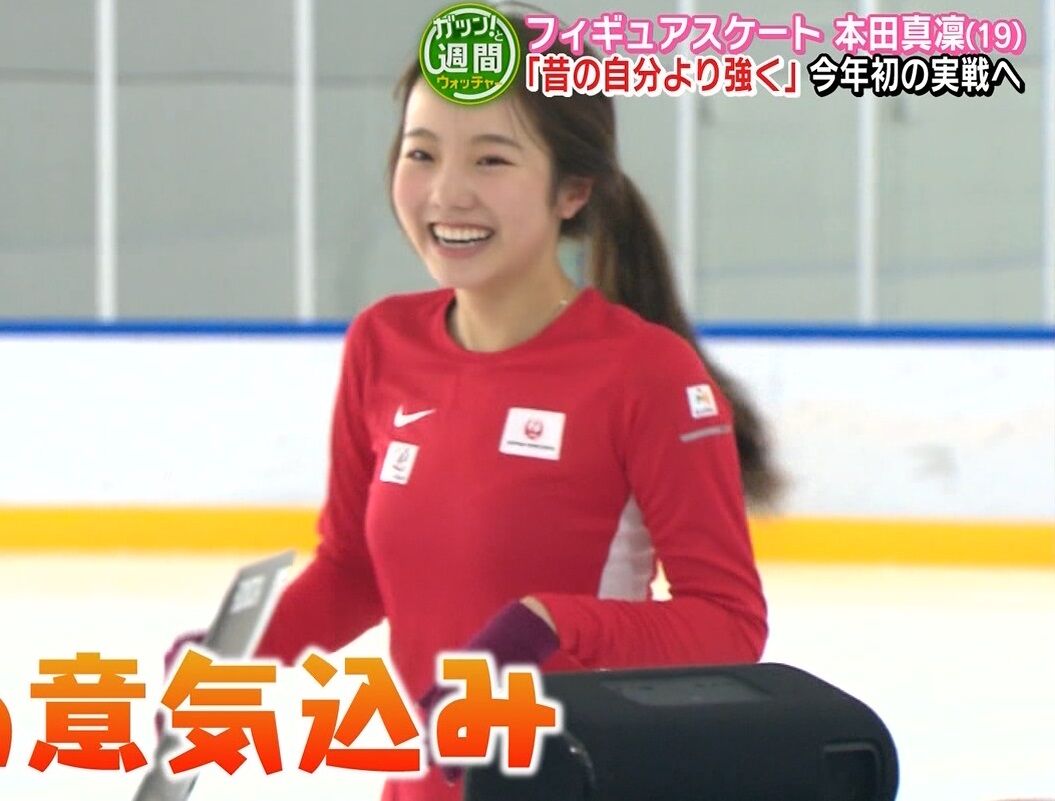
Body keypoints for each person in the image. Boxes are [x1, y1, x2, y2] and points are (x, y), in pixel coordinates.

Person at [251, 11, 782, 800]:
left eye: (491, 159)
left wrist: (551, 623)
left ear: (572, 190)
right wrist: (242, 656)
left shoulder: (644, 372)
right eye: (421, 153)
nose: (446, 192)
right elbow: (353, 569)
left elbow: (728, 624)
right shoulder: (382, 342)